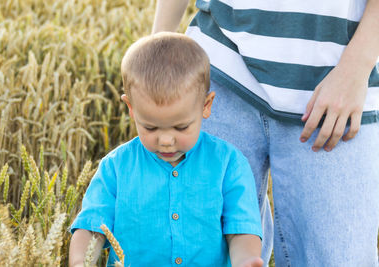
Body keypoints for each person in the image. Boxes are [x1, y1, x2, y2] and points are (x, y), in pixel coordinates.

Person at [152, 0, 379, 266]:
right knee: (202, 253)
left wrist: (356, 68)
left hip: (337, 87)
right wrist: (157, 51)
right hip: (220, 70)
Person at [69, 32, 264, 267]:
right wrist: (81, 260)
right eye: (150, 127)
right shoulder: (115, 168)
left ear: (206, 105)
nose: (166, 140)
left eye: (181, 127)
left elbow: (240, 229)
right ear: (131, 108)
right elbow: (92, 227)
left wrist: (246, 260)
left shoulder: (229, 164)